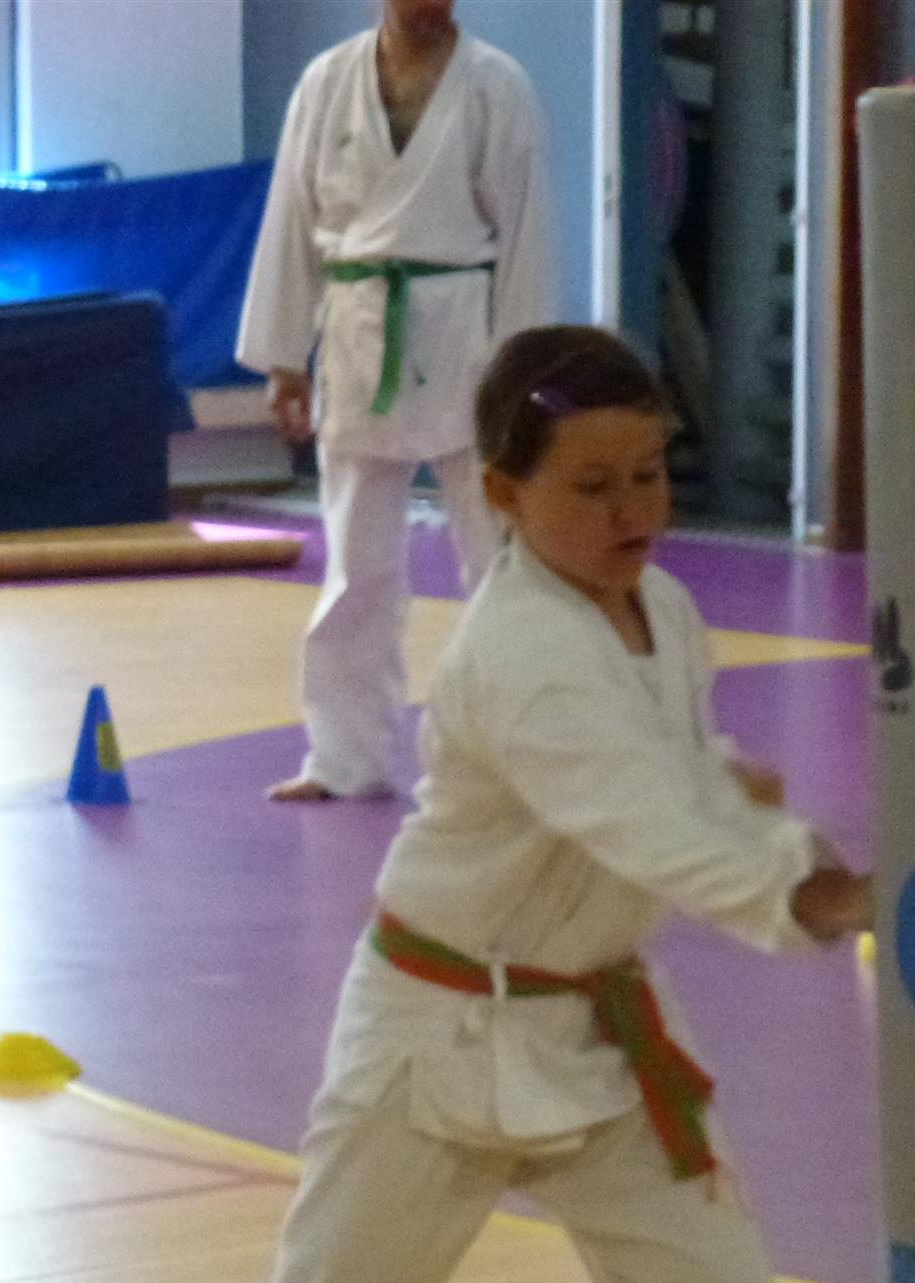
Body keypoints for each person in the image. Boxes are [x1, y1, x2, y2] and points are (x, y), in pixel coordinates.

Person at [1, 327, 874, 1283]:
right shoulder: (521, 650)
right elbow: (641, 819)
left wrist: (743, 797)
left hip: (599, 1034)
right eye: (592, 484)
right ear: (505, 494)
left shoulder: (663, 612)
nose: (633, 510)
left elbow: (657, 781)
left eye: (649, 474)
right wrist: (821, 891)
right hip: (433, 1034)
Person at [240, 0, 555, 803]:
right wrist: (284, 358)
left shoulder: (496, 85)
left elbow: (525, 233)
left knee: (498, 558)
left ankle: (508, 756)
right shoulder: (326, 82)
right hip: (357, 329)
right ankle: (342, 758)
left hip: (465, 336)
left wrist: (524, 368)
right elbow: (291, 217)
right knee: (355, 569)